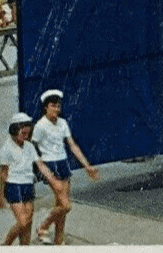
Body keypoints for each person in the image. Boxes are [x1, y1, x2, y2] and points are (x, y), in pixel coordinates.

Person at [33, 89, 100, 245]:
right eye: (53, 106)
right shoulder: (40, 126)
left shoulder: (63, 123)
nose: (56, 109)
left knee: (61, 206)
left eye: (58, 106)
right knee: (65, 205)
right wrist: (40, 167)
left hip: (63, 163)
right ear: (45, 107)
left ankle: (58, 241)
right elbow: (32, 148)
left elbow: (72, 145)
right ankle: (43, 226)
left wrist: (87, 166)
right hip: (50, 165)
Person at [0, 112, 58, 246]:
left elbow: (40, 165)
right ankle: (5, 245)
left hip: (28, 186)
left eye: (28, 134)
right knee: (22, 222)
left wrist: (52, 178)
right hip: (14, 186)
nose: (26, 137)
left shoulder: (30, 147)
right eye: (23, 134)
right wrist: (0, 196)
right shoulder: (6, 149)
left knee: (28, 223)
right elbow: (3, 173)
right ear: (14, 130)